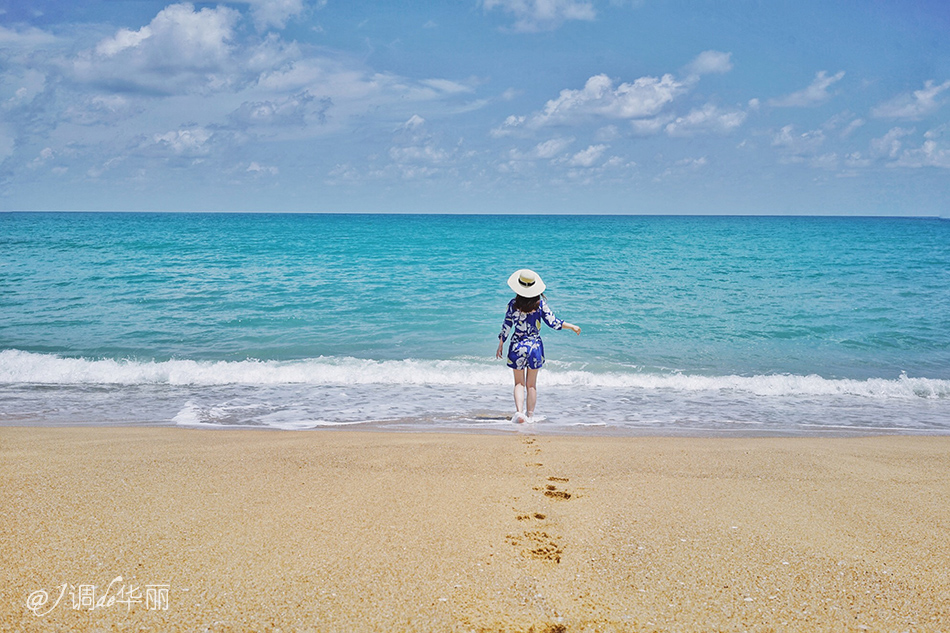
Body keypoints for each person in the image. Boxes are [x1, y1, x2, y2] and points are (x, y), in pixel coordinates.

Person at [496, 269, 581, 423]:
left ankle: (519, 413)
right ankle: (530, 416)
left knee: (519, 383)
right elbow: (554, 322)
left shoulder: (513, 304)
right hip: (535, 347)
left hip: (517, 346)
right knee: (531, 385)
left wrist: (501, 342)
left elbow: (507, 325)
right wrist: (572, 326)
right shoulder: (540, 304)